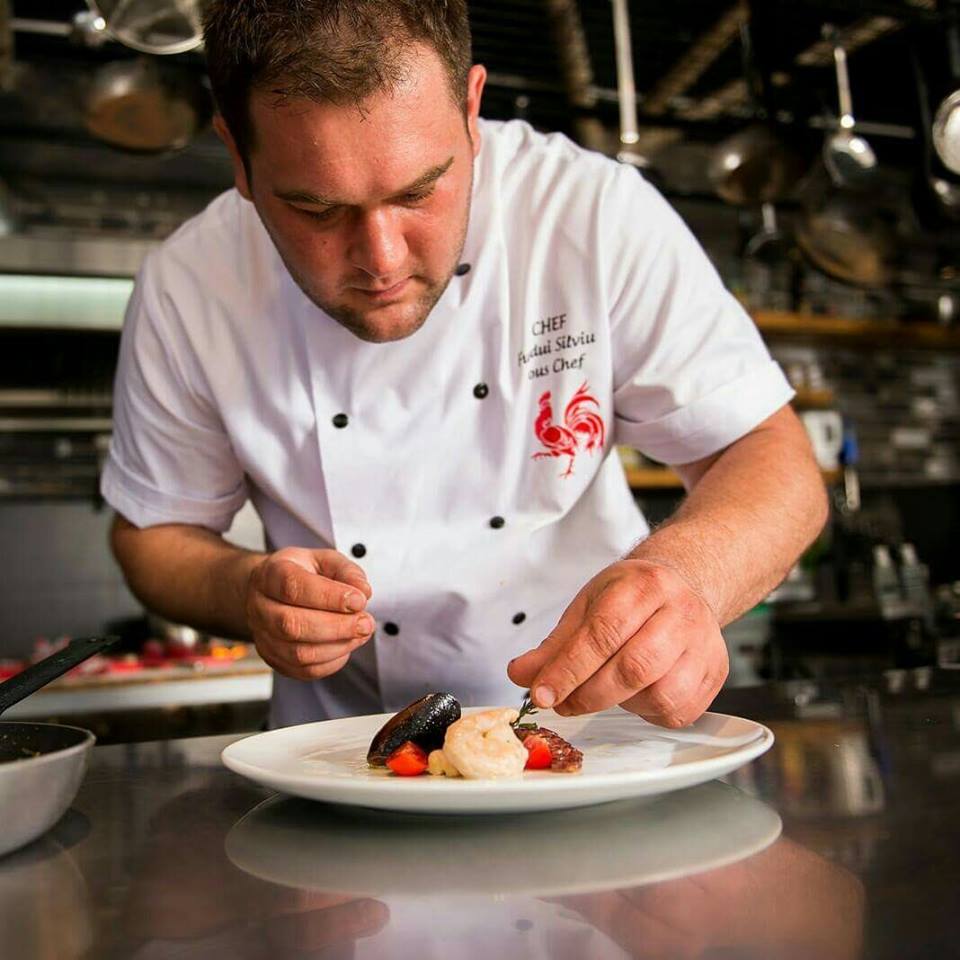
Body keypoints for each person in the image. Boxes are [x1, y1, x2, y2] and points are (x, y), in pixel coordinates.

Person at [104, 0, 827, 728]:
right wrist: (245, 590)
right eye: (318, 210)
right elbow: (152, 534)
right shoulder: (191, 284)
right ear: (237, 154)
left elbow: (770, 456)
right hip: (336, 755)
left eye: (419, 190)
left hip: (595, 738)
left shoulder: (590, 214)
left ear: (471, 108)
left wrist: (685, 578)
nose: (383, 259)